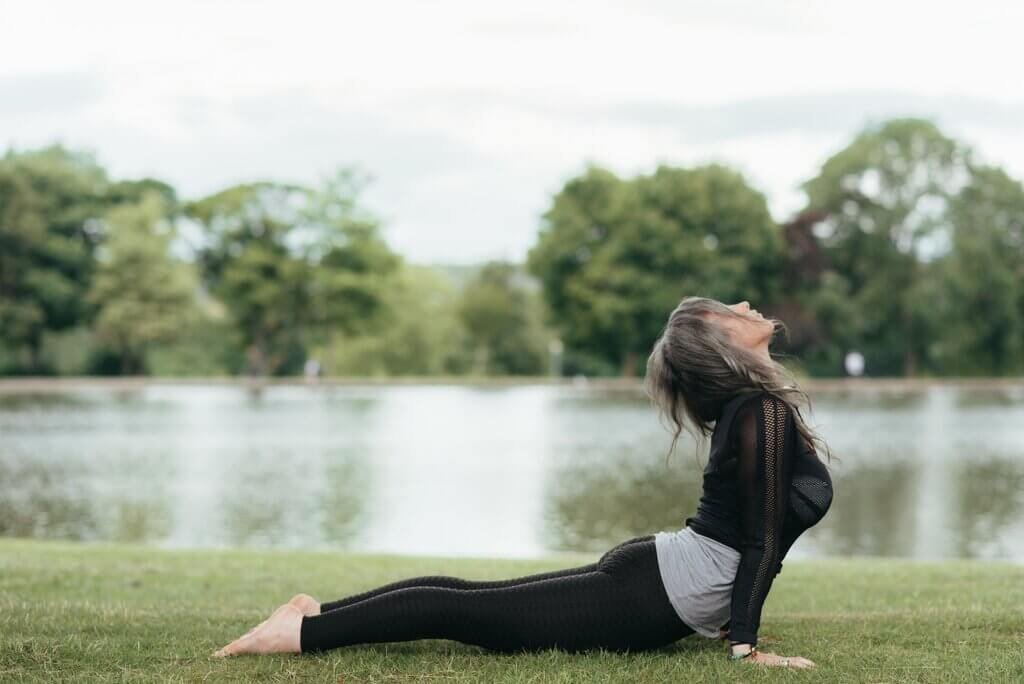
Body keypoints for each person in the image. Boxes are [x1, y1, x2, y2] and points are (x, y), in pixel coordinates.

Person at [213, 296, 835, 669]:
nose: (747, 309)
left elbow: (762, 535)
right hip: (654, 591)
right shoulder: (759, 412)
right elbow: (757, 539)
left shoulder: (755, 410)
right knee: (469, 610)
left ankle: (312, 612)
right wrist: (745, 646)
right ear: (722, 340)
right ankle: (303, 630)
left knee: (471, 601)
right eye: (730, 311)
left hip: (661, 578)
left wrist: (731, 621)